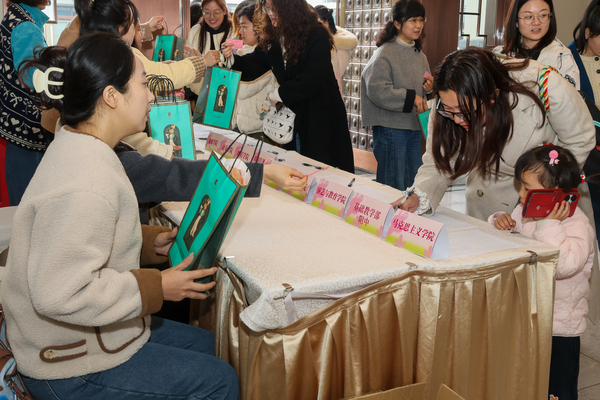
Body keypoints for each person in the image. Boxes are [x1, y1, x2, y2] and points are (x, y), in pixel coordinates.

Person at [2, 32, 238, 399]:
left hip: (84, 336)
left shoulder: (83, 143)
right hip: (65, 364)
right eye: (143, 84)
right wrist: (158, 286)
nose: (151, 96)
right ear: (111, 96)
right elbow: (60, 292)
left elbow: (83, 237)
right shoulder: (86, 181)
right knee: (220, 380)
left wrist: (147, 242)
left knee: (206, 346)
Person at [396, 47, 595, 223]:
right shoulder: (448, 101)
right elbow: (438, 161)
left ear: (493, 96)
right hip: (490, 204)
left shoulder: (544, 84)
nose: (456, 119)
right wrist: (420, 195)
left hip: (548, 204)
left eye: (465, 111)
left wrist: (542, 191)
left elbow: (581, 140)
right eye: (449, 111)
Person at [489, 145, 594, 400]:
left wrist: (548, 224)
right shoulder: (526, 212)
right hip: (528, 316)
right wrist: (500, 220)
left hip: (559, 327)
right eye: (520, 186)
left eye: (527, 188)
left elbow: (561, 266)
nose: (520, 194)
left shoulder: (577, 225)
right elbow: (513, 241)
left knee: (557, 389)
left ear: (556, 193)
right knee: (527, 381)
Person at [224, 0, 355, 173]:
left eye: (273, 8)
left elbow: (311, 79)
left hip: (321, 118)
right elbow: (253, 65)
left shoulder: (316, 34)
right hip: (293, 120)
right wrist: (231, 59)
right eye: (266, 7)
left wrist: (277, 94)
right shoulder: (275, 37)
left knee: (322, 172)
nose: (269, 13)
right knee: (296, 171)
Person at [360, 0, 431, 190]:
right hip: (390, 128)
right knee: (393, 184)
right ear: (397, 24)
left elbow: (425, 85)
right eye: (412, 20)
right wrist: (411, 98)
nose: (418, 25)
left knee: (412, 182)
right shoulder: (385, 53)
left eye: (421, 20)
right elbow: (377, 90)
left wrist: (429, 88)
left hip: (414, 127)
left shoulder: (419, 54)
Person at [0, 0, 51, 205]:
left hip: (16, 129)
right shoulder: (27, 26)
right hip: (27, 131)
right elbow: (32, 77)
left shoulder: (14, 15)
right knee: (30, 208)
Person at [494, 0, 579, 89]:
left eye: (543, 15)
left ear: (550, 17)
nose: (536, 22)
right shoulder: (499, 55)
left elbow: (570, 96)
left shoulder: (562, 57)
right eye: (528, 16)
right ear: (516, 21)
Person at [230, 0, 278, 136]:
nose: (240, 31)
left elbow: (242, 90)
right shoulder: (241, 52)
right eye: (239, 26)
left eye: (244, 26)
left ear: (259, 26)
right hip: (241, 126)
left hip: (260, 128)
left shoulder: (266, 54)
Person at [314, 5, 357, 95]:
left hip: (327, 93)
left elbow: (334, 73)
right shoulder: (330, 42)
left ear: (326, 22)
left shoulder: (337, 45)